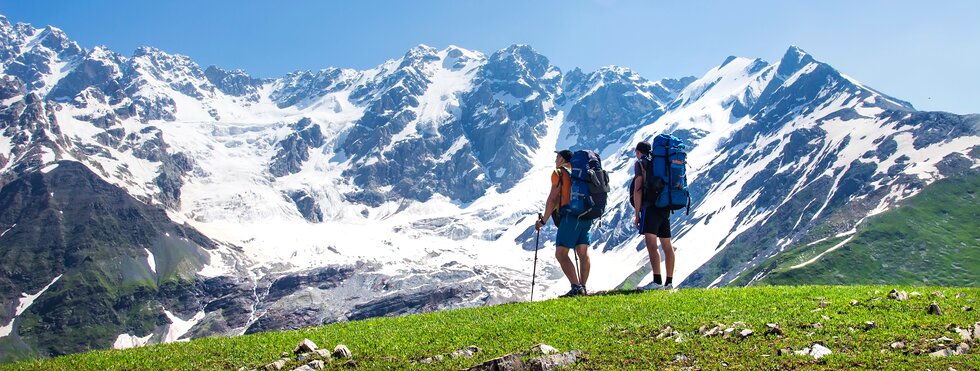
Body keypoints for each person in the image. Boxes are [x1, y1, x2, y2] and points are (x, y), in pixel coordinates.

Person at [534, 149, 592, 297]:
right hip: (586, 215)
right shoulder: (582, 173)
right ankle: (582, 287)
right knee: (583, 253)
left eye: (557, 157)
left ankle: (576, 288)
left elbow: (553, 197)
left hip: (570, 216)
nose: (555, 159)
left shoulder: (559, 173)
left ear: (562, 159)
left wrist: (543, 220)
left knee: (561, 253)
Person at [632, 141, 676, 290]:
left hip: (650, 207)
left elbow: (638, 189)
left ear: (638, 152)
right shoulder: (661, 163)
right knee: (667, 245)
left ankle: (657, 281)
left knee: (651, 244)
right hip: (665, 206)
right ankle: (669, 283)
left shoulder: (641, 164)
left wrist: (637, 213)